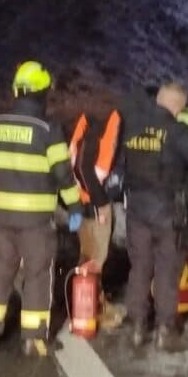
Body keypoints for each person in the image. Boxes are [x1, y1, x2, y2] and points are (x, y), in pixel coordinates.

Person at [0, 61, 83, 357]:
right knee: (37, 275)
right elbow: (63, 174)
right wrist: (75, 206)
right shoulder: (48, 130)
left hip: (1, 218)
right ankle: (32, 340)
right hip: (36, 222)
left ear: (16, 91)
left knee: (1, 271)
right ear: (42, 92)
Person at [118, 82, 188, 350]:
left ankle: (138, 326)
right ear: (176, 105)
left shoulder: (132, 127)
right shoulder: (179, 132)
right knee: (166, 270)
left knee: (139, 267)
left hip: (137, 208)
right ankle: (165, 329)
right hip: (168, 211)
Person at [68, 109, 121, 276]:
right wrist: (100, 202)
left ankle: (82, 297)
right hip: (95, 207)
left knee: (87, 258)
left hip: (83, 204)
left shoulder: (80, 138)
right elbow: (85, 170)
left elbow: (74, 169)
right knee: (96, 260)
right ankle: (88, 298)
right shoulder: (95, 139)